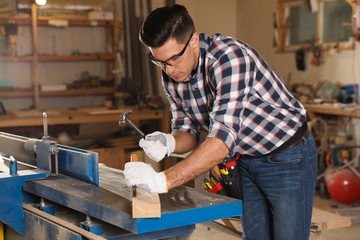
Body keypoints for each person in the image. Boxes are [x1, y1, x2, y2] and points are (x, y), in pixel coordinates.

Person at [124, 4, 318, 240]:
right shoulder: (172, 74)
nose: (168, 69)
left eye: (174, 59)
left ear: (194, 40)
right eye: (160, 62)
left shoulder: (229, 59)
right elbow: (187, 132)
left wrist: (161, 180)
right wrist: (169, 143)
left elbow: (221, 142)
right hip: (245, 158)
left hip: (286, 155)